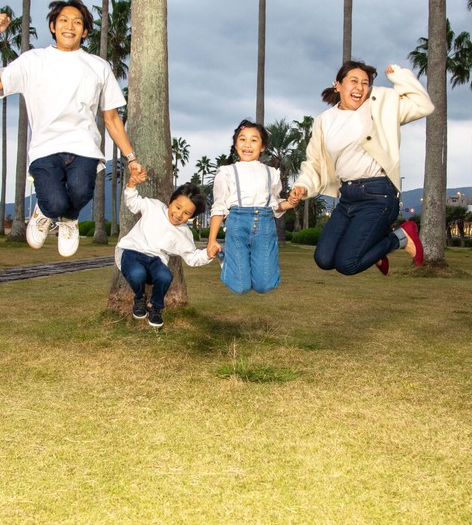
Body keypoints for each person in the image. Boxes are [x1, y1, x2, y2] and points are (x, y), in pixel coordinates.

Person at [0, 0, 146, 256]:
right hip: (45, 147)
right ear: (52, 26)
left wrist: (131, 157)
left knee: (81, 191)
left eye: (77, 22)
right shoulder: (33, 60)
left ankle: (69, 220)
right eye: (64, 21)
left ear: (85, 31)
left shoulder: (98, 67)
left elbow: (112, 118)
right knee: (55, 201)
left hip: (84, 147)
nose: (70, 26)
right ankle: (44, 213)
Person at [288, 60, 434, 276]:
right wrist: (302, 185)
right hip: (347, 197)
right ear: (338, 85)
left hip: (379, 194)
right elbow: (314, 162)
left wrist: (399, 77)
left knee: (348, 264)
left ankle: (401, 237)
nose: (360, 87)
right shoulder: (324, 121)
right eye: (353, 81)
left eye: (365, 83)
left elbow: (424, 105)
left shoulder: (380, 106)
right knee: (324, 259)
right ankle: (374, 248)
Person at [205, 120, 300, 294]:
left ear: (262, 146)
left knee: (265, 286)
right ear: (235, 145)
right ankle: (225, 258)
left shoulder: (271, 173)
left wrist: (291, 203)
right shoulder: (226, 172)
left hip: (265, 227)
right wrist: (212, 240)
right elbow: (219, 208)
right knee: (240, 287)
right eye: (242, 139)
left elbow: (275, 206)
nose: (247, 144)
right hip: (237, 225)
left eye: (254, 140)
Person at [115, 176, 214, 328]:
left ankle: (156, 307)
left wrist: (208, 253)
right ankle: (139, 298)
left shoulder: (184, 234)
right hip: (132, 251)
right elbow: (133, 202)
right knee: (136, 274)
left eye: (187, 213)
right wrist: (131, 185)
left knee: (165, 276)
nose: (179, 214)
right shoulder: (153, 206)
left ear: (192, 217)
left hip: (156, 261)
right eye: (178, 207)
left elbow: (192, 257)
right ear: (170, 202)